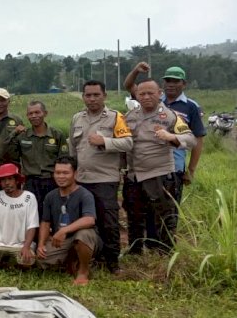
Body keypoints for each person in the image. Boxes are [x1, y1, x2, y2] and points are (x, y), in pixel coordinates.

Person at [68, 80, 132, 274]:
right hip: (82, 180)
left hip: (105, 179)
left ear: (105, 96)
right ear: (83, 97)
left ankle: (112, 263)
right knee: (83, 221)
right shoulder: (77, 118)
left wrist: (104, 141)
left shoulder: (115, 118)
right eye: (88, 95)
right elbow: (73, 147)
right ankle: (88, 258)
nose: (92, 99)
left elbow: (128, 143)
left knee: (109, 222)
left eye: (96, 95)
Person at [124, 79, 196, 253]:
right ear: (137, 96)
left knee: (163, 216)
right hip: (134, 174)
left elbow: (191, 139)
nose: (146, 97)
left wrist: (171, 137)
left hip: (159, 174)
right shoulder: (130, 116)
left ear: (160, 94)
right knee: (134, 214)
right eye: (142, 94)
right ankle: (135, 250)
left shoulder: (171, 115)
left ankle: (165, 251)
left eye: (151, 93)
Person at [124, 63, 206, 198]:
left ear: (184, 84)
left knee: (168, 211)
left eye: (176, 81)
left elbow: (197, 139)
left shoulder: (191, 106)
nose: (171, 84)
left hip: (175, 167)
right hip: (145, 168)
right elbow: (129, 86)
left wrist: (191, 170)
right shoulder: (151, 98)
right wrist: (135, 71)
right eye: (168, 80)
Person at [36, 156, 101, 286]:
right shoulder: (51, 196)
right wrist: (41, 244)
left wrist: (64, 230)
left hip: (84, 238)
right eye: (57, 173)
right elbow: (45, 222)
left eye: (65, 173)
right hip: (62, 241)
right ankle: (71, 262)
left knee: (82, 236)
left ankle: (83, 271)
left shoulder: (84, 194)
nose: (61, 176)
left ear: (75, 174)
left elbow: (90, 219)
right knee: (41, 261)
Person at [8, 100, 67, 218]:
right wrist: (13, 133)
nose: (34, 116)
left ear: (45, 113)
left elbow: (64, 160)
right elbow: (9, 154)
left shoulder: (57, 135)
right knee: (31, 216)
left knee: (54, 215)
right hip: (31, 182)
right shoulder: (22, 136)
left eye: (37, 112)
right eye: (30, 113)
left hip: (52, 181)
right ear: (27, 116)